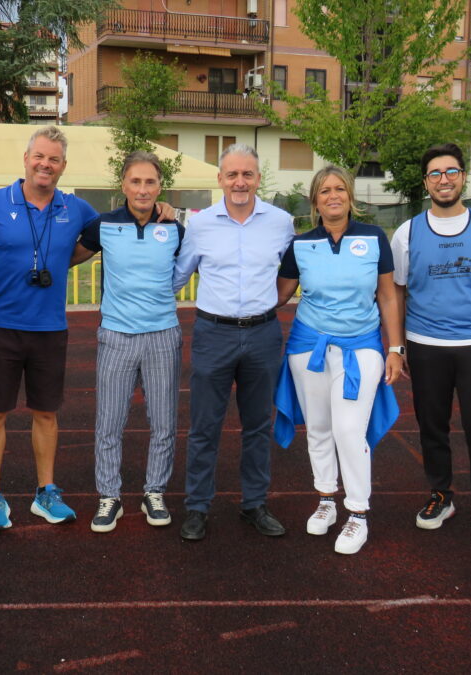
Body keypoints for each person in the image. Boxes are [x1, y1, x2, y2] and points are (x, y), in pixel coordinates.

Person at [0, 126, 100, 530]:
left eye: (54, 159)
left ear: (63, 166)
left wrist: (159, 209)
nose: (45, 164)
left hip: (50, 329)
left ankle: (45, 492)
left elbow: (104, 232)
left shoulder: (76, 209)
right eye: (39, 156)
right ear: (25, 159)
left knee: (46, 413)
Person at [391, 143, 471, 546]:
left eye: (451, 172)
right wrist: (399, 346)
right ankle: (441, 495)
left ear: (463, 177)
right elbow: (395, 293)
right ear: (425, 182)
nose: (443, 180)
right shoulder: (407, 231)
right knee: (432, 426)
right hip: (426, 345)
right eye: (435, 173)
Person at [274, 165, 402, 555]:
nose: (333, 196)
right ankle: (326, 500)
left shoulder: (375, 237)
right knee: (319, 428)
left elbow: (388, 296)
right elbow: (276, 295)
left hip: (361, 346)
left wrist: (395, 348)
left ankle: (358, 513)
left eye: (340, 189)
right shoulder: (300, 245)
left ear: (350, 196)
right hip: (307, 348)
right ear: (314, 201)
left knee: (348, 429)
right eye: (325, 190)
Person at [172, 143, 294, 541]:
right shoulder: (202, 224)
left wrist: (267, 306)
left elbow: (290, 275)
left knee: (258, 425)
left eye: (248, 174)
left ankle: (254, 503)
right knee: (204, 427)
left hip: (263, 334)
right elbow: (177, 277)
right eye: (232, 174)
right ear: (220, 178)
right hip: (213, 334)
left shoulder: (281, 222)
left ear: (259, 178)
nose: (240, 182)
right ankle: (197, 507)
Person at [71, 151, 184, 533]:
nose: (143, 189)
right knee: (109, 421)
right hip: (117, 336)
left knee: (164, 422)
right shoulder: (103, 225)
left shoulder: (174, 226)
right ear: (123, 185)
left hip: (163, 335)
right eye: (135, 181)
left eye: (150, 182)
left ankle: (155, 491)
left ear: (159, 187)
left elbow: (191, 263)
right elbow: (67, 257)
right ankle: (109, 496)